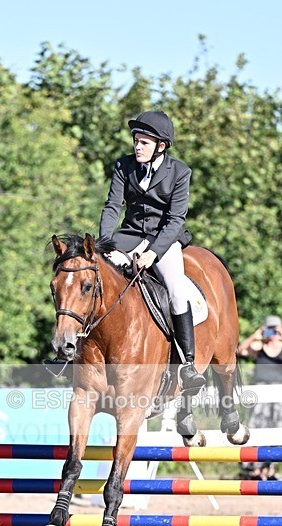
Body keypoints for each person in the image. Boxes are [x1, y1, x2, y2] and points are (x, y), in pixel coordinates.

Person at [99, 110, 205, 394]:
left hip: (164, 240)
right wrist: (105, 244)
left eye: (144, 142)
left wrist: (153, 253)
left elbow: (175, 220)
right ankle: (75, 351)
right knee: (97, 278)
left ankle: (188, 364)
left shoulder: (180, 172)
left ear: (161, 146)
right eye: (136, 140)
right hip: (128, 236)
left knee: (175, 290)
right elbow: (113, 206)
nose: (137, 146)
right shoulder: (123, 166)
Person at [237, 315, 282, 479]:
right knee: (256, 426)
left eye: (275, 329)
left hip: (278, 390)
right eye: (270, 329)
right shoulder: (259, 346)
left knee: (276, 427)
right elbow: (241, 350)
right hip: (261, 389)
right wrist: (256, 334)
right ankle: (255, 467)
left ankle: (270, 467)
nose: (273, 333)